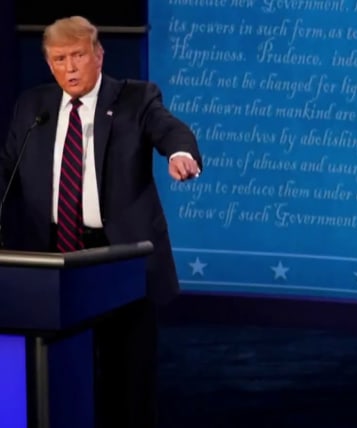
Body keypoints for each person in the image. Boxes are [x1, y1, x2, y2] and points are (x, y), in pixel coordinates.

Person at [1, 16, 202, 428]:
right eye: (59, 59)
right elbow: (7, 169)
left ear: (99, 55)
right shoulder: (33, 106)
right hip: (50, 261)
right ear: (48, 63)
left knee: (127, 383)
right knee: (56, 383)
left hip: (120, 260)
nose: (70, 67)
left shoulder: (135, 98)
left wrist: (181, 153)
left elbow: (170, 129)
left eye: (78, 55)